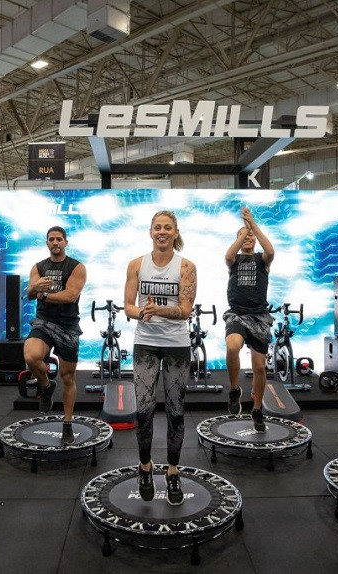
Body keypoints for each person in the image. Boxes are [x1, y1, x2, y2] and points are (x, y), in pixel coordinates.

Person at [124, 211, 196, 506]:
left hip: (176, 344)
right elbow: (128, 306)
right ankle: (145, 467)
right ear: (150, 231)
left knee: (176, 411)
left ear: (175, 232)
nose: (162, 232)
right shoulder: (136, 264)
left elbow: (186, 310)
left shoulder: (186, 267)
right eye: (157, 227)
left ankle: (173, 471)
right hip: (145, 342)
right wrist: (143, 312)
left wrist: (158, 311)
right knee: (143, 410)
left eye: (167, 227)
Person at [24, 226, 86, 443]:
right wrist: (35, 288)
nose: (55, 242)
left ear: (66, 242)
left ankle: (67, 424)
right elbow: (29, 294)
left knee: (68, 377)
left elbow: (70, 296)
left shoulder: (76, 267)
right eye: (51, 239)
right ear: (47, 243)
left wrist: (42, 294)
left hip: (68, 325)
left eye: (59, 239)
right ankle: (46, 385)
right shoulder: (39, 267)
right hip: (44, 321)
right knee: (31, 356)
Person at [223, 207, 275, 431]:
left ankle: (257, 409)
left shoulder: (262, 259)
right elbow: (228, 255)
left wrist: (252, 226)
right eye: (243, 235)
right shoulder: (234, 260)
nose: (247, 237)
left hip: (259, 316)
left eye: (251, 235)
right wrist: (244, 231)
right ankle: (235, 389)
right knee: (232, 346)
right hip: (237, 314)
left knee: (260, 367)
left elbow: (270, 250)